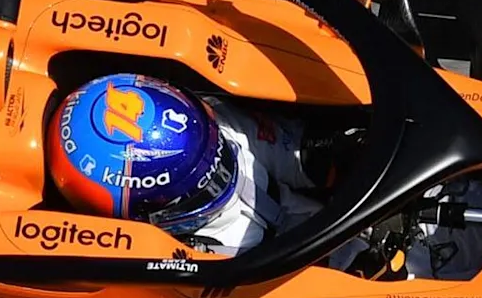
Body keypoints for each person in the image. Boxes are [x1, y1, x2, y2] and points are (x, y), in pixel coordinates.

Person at [47, 72, 316, 254]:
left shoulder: (213, 127)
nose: (220, 180)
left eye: (215, 155)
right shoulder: (204, 257)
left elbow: (297, 150)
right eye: (201, 189)